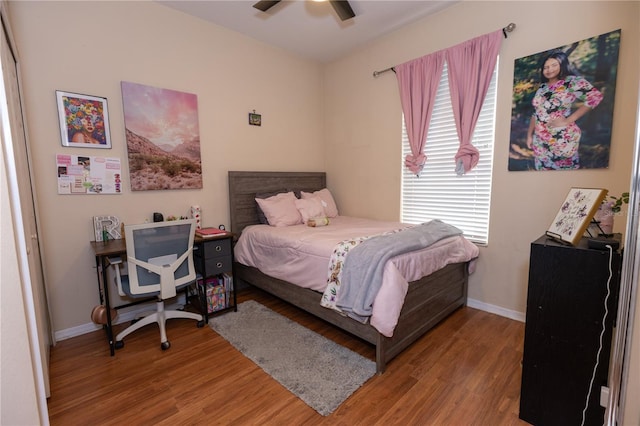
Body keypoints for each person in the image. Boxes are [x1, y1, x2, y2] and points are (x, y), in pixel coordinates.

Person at [526, 50, 603, 170]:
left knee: (564, 178)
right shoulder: (542, 87)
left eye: (554, 65)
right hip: (540, 141)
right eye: (546, 67)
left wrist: (567, 121)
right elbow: (536, 112)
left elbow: (595, 97)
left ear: (562, 65)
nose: (549, 69)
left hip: (561, 138)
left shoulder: (571, 82)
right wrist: (529, 135)